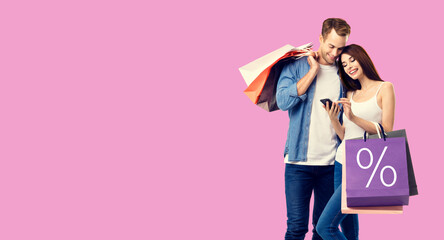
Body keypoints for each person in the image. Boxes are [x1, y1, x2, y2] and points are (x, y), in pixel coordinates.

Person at [276, 18, 351, 240]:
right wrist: (312, 71)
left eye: (340, 48)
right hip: (298, 163)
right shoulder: (297, 65)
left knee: (322, 229)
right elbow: (282, 102)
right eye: (331, 46)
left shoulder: (344, 73)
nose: (336, 53)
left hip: (331, 165)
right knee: (296, 228)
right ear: (321, 38)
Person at [316, 44, 396, 240]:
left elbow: (387, 129)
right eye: (343, 64)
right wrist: (334, 119)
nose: (349, 66)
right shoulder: (350, 94)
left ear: (363, 58)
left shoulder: (385, 88)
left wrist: (353, 117)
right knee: (349, 231)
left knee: (325, 227)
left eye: (352, 60)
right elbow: (347, 136)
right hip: (341, 161)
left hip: (363, 165)